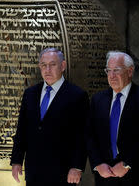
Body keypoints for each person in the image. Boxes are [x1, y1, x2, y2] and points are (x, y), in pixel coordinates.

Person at [11, 48, 89, 186]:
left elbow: (82, 135)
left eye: (52, 64)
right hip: (34, 172)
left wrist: (77, 167)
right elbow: (22, 130)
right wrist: (17, 160)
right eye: (43, 65)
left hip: (63, 174)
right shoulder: (30, 94)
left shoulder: (77, 96)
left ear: (63, 66)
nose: (47, 69)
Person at [87, 51, 139, 186]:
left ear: (130, 71)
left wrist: (127, 163)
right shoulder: (98, 100)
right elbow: (90, 136)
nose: (111, 76)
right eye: (108, 70)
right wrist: (98, 164)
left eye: (116, 70)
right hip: (106, 177)